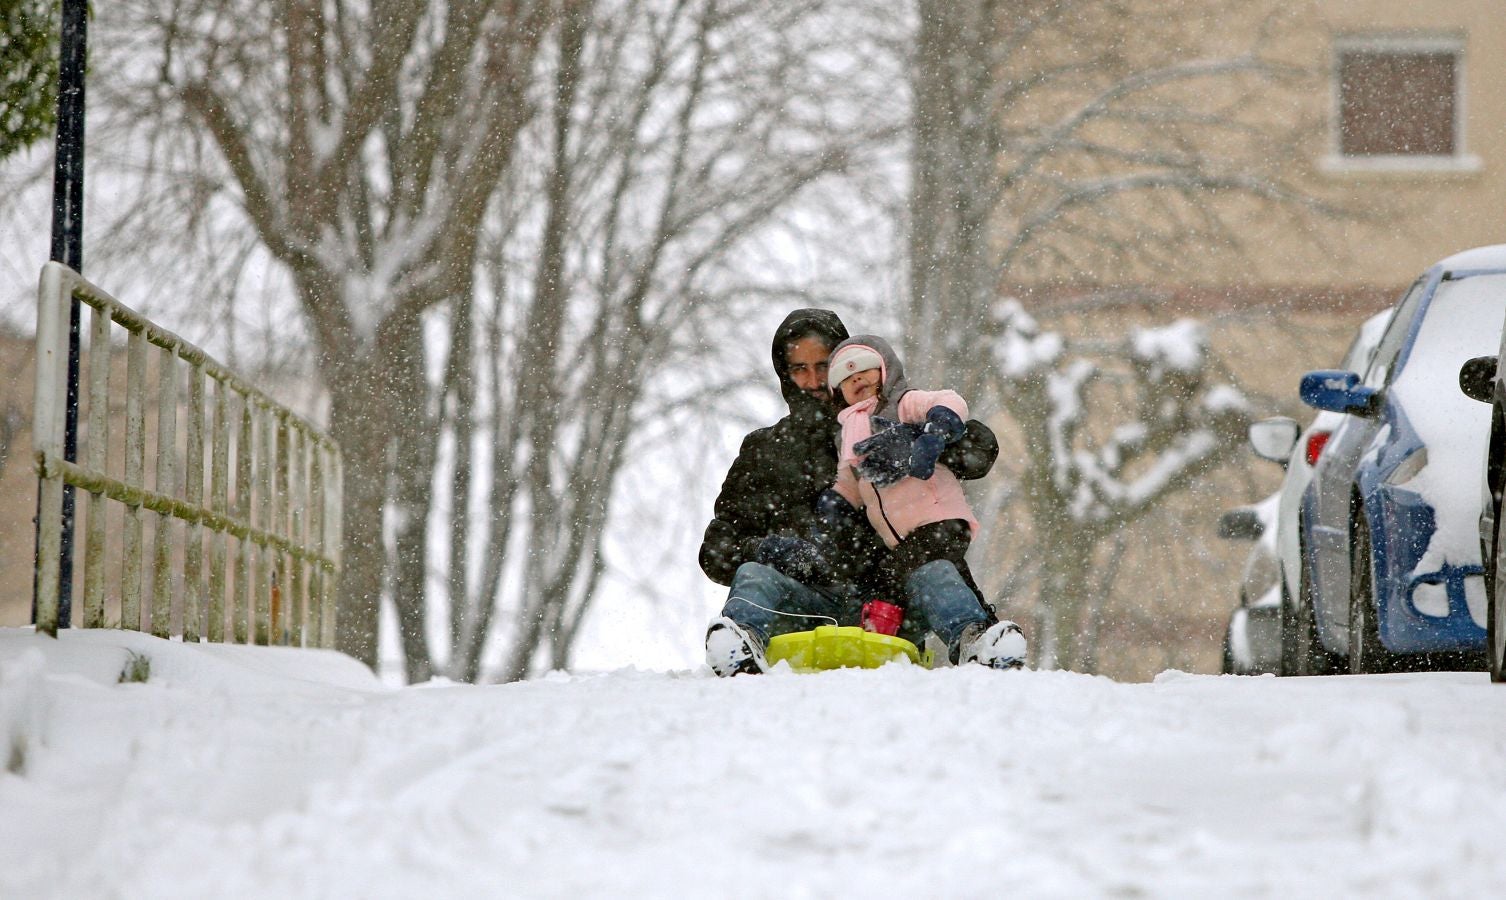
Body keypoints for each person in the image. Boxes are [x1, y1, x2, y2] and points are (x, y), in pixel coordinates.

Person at [698, 309, 1005, 676]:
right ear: (785, 375)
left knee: (936, 574)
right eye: (799, 368)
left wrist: (919, 442)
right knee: (753, 574)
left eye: (823, 365)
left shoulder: (895, 414)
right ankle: (740, 643)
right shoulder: (766, 450)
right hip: (806, 607)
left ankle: (977, 640)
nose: (812, 380)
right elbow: (718, 549)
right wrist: (766, 550)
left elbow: (980, 450)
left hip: (890, 604)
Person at [823, 334, 1026, 670]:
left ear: (886, 371)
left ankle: (965, 636)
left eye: (865, 369)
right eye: (845, 377)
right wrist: (833, 507)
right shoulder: (848, 435)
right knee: (938, 573)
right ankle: (986, 636)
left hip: (939, 518)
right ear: (837, 393)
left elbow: (950, 400)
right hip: (903, 539)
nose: (856, 378)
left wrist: (932, 432)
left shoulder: (902, 405)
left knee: (894, 578)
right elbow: (849, 483)